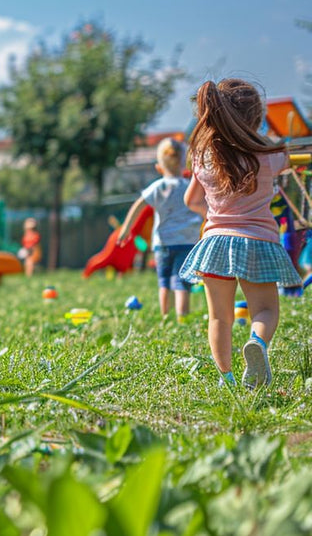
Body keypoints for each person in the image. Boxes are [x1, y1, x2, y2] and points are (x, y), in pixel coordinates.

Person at [179, 79, 301, 388]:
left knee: (219, 317)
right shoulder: (269, 153)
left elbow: (192, 200)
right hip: (258, 243)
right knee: (265, 309)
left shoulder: (203, 156)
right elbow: (290, 162)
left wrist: (216, 216)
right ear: (256, 118)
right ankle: (257, 343)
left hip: (215, 243)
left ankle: (227, 378)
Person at [117, 138, 202, 321]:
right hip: (187, 242)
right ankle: (183, 318)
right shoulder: (189, 187)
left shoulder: (158, 187)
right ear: (183, 163)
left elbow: (139, 205)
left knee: (164, 282)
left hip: (163, 243)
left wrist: (126, 229)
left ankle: (165, 317)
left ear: (159, 167)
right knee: (182, 282)